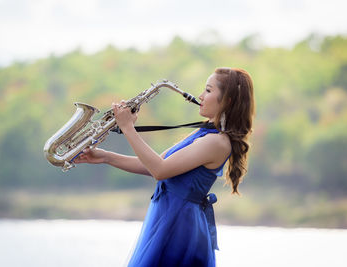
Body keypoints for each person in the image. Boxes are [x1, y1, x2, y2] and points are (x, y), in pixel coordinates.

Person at [74, 67, 255, 267]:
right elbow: (156, 163)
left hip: (180, 227)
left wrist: (127, 128)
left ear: (228, 101)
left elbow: (159, 170)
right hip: (171, 218)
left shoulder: (217, 142)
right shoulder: (205, 133)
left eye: (209, 91)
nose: (200, 96)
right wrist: (106, 157)